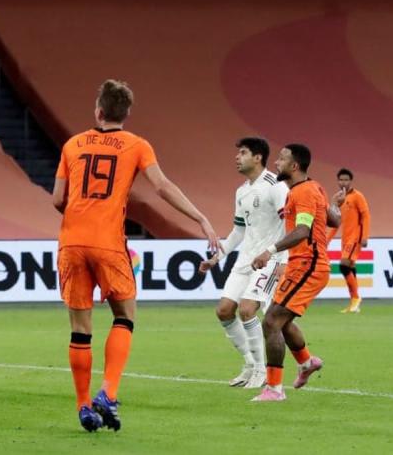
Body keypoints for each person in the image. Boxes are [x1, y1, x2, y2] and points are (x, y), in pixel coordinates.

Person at [52, 79, 221, 432]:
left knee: (80, 330)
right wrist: (201, 219)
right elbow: (162, 187)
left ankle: (84, 406)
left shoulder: (72, 145)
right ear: (126, 114)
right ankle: (108, 393)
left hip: (71, 242)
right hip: (109, 242)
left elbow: (57, 199)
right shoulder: (136, 145)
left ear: (98, 110)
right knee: (125, 316)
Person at [250, 144, 340, 402]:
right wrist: (331, 206)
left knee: (271, 322)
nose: (276, 162)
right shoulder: (313, 188)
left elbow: (302, 231)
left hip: (308, 265)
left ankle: (274, 389)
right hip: (302, 264)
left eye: (281, 159)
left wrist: (269, 251)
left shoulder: (303, 192)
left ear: (294, 166)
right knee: (281, 321)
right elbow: (334, 221)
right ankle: (306, 362)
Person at [198, 138, 288, 390]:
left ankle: (262, 369)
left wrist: (283, 258)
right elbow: (238, 231)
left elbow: (288, 224)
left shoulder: (275, 186)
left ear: (258, 157)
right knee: (224, 310)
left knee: (247, 309)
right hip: (245, 260)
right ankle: (249, 363)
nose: (237, 157)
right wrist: (218, 256)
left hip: (269, 260)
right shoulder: (241, 191)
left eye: (243, 153)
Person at [327, 168, 371, 313]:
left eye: (346, 180)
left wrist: (364, 236)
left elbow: (365, 216)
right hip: (346, 239)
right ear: (337, 181)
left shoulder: (358, 196)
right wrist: (326, 240)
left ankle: (356, 298)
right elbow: (335, 221)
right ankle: (354, 302)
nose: (343, 182)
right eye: (341, 180)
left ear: (351, 181)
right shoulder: (339, 198)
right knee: (350, 267)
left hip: (355, 237)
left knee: (343, 266)